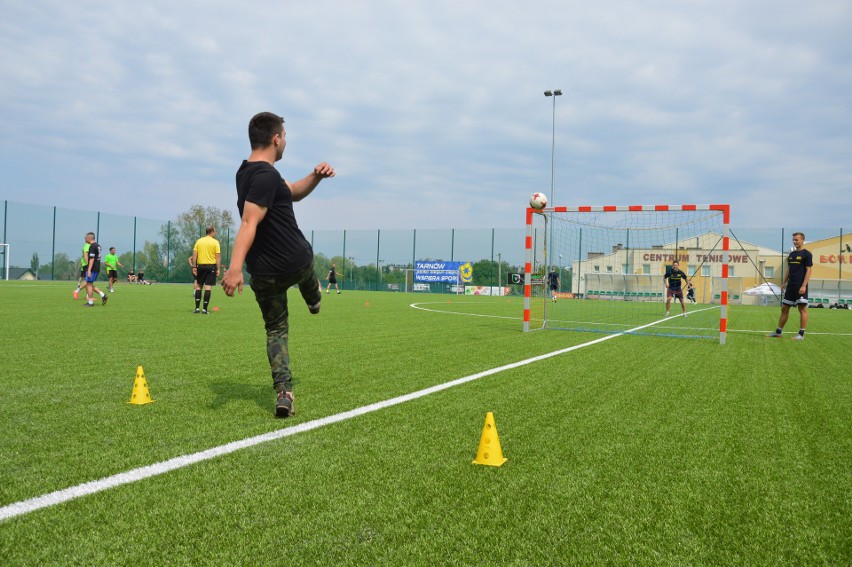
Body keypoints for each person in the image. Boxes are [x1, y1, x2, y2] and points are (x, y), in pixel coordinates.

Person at [222, 111, 335, 418]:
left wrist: (316, 176)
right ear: (276, 139)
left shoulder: (246, 173)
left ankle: (284, 393)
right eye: (284, 136)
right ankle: (313, 298)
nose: (285, 141)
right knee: (306, 264)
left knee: (276, 332)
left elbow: (292, 192)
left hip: (265, 274)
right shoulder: (265, 176)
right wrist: (234, 267)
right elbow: (249, 221)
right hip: (294, 261)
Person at [769, 232, 813, 340]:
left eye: (796, 240)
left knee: (802, 309)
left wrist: (804, 285)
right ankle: (778, 332)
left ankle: (801, 334)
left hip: (800, 286)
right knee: (784, 308)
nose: (794, 241)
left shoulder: (807, 254)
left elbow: (808, 270)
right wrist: (784, 282)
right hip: (790, 286)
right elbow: (789, 269)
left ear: (803, 240)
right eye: (793, 239)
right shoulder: (792, 254)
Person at [189, 226, 222, 314]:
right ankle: (204, 309)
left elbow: (194, 255)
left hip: (200, 266)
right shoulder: (215, 242)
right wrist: (218, 269)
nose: (215, 233)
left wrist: (194, 267)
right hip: (211, 266)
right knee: (208, 287)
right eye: (214, 231)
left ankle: (196, 308)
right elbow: (217, 257)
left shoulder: (199, 241)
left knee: (199, 286)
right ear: (212, 232)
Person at [82, 232, 108, 307]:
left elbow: (92, 259)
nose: (85, 239)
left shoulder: (92, 246)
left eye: (85, 238)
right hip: (97, 267)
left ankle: (90, 302)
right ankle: (103, 295)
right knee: (89, 283)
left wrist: (89, 270)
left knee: (89, 285)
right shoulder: (98, 245)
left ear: (89, 238)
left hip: (93, 268)